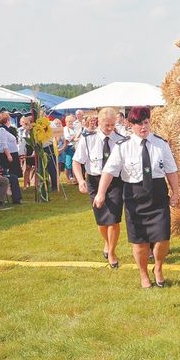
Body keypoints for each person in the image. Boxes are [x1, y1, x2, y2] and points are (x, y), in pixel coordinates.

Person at [95, 106, 180, 289]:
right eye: (139, 124)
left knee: (162, 239)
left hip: (157, 195)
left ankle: (158, 268)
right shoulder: (122, 146)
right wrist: (101, 193)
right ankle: (143, 274)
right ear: (130, 125)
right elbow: (109, 171)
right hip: (135, 196)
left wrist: (176, 192)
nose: (144, 127)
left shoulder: (161, 144)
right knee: (140, 241)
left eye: (146, 122)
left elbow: (171, 170)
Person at [73, 108, 124, 268]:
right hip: (94, 181)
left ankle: (112, 252)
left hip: (115, 182)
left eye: (112, 125)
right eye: (107, 125)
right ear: (99, 122)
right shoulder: (87, 139)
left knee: (114, 219)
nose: (110, 128)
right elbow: (77, 162)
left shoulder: (121, 140)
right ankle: (107, 243)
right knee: (102, 221)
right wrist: (81, 180)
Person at [0, 112, 22, 203]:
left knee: (14, 175)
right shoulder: (2, 129)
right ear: (7, 120)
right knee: (11, 175)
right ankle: (14, 196)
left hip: (11, 154)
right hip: (5, 156)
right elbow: (3, 144)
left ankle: (16, 197)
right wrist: (8, 155)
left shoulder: (6, 129)